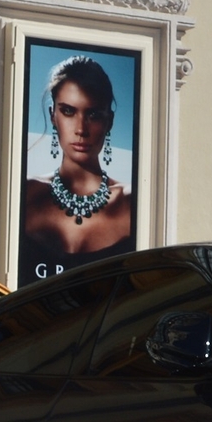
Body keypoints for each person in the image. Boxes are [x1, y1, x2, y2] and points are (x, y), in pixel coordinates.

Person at [17, 57, 135, 285]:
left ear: (109, 121)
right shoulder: (26, 193)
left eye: (93, 115)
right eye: (68, 111)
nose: (81, 129)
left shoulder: (131, 203)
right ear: (53, 116)